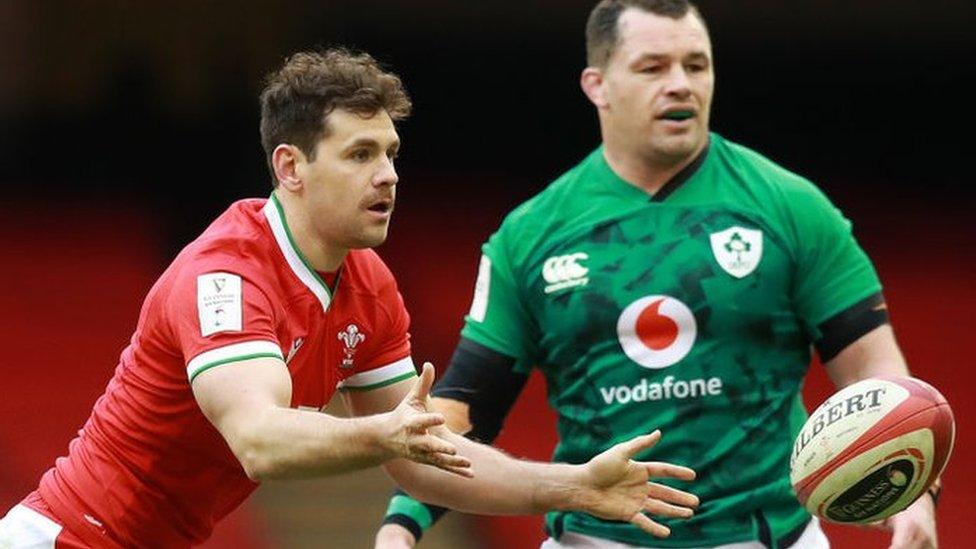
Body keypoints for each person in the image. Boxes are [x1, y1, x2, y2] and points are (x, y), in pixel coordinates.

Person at [0, 48, 701, 548]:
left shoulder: (369, 282)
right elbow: (261, 440)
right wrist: (378, 433)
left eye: (392, 152)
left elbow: (425, 459)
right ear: (290, 167)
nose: (388, 174)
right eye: (360, 154)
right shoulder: (225, 274)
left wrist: (573, 486)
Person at [375, 1, 941, 548]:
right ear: (597, 86)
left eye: (696, 65)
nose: (681, 84)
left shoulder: (792, 207)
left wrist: (915, 493)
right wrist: (403, 521)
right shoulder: (529, 235)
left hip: (770, 537)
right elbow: (470, 405)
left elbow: (873, 368)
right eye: (653, 68)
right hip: (593, 538)